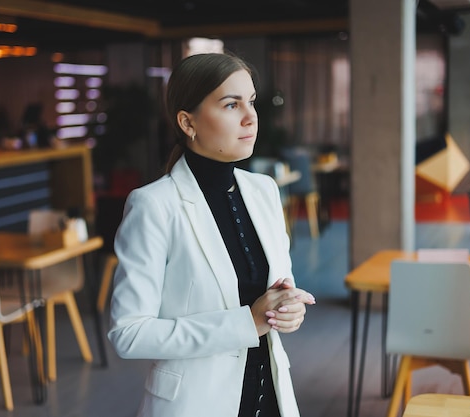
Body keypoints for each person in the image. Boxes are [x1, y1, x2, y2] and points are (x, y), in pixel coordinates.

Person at [107, 52, 316, 417]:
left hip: (271, 398)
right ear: (188, 122)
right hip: (195, 405)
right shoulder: (154, 206)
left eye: (250, 102)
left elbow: (278, 287)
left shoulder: (264, 190)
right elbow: (129, 333)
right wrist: (245, 322)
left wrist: (289, 309)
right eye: (231, 104)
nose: (251, 117)